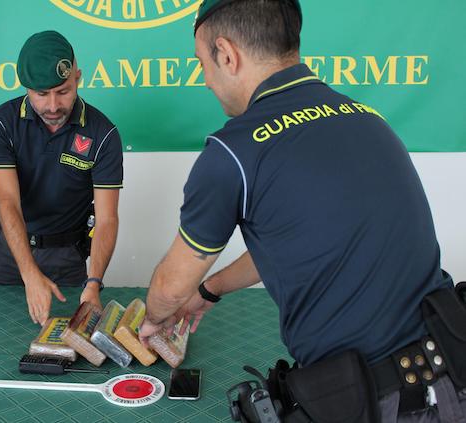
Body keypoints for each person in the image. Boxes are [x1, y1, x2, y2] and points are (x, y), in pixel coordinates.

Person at [138, 1, 465, 421]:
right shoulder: (366, 118)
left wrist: (151, 322)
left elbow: (169, 290)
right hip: (453, 373)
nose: (205, 80)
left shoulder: (232, 151)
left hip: (382, 403)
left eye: (202, 63)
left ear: (226, 53)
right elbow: (294, 238)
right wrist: (212, 289)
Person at [0, 31, 123, 325]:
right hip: (11, 255)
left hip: (67, 259)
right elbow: (8, 202)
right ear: (26, 88)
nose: (53, 106)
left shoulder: (103, 133)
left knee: (68, 345)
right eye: (41, 94)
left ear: (78, 78)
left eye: (63, 91)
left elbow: (107, 218)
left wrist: (94, 282)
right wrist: (29, 273)